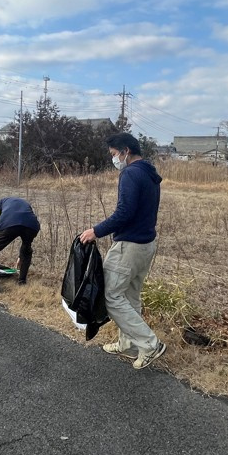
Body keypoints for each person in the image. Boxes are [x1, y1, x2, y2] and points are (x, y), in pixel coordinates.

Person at [79, 132, 166, 370]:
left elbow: (124, 213)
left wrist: (95, 231)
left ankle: (149, 344)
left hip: (129, 246)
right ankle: (128, 343)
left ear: (126, 151)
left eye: (115, 154)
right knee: (130, 296)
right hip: (146, 244)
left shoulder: (130, 174)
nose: (114, 159)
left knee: (112, 296)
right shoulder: (149, 173)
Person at [0, 196, 40, 293]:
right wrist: (20, 255)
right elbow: (25, 219)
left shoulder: (0, 203)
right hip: (32, 226)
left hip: (10, 222)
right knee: (26, 249)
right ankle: (22, 281)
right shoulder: (25, 204)